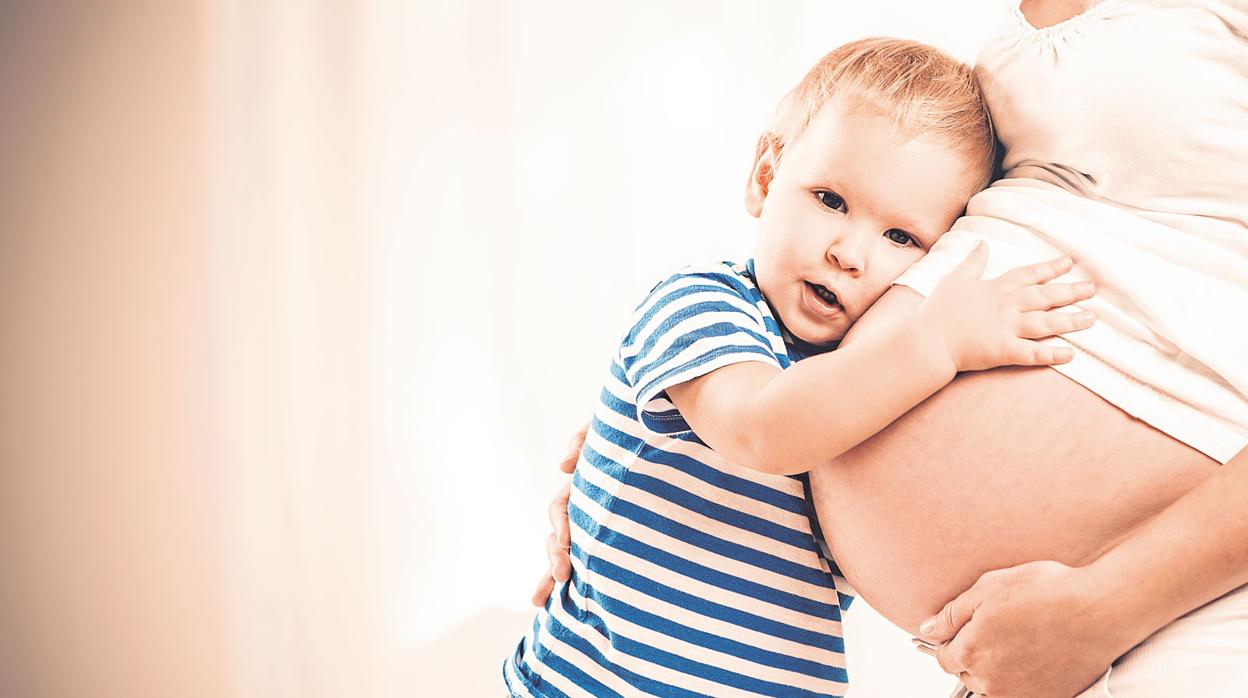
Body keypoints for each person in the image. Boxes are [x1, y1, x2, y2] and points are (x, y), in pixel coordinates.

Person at [539, 1, 1248, 696]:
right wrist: (937, 339)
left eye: (903, 239)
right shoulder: (699, 304)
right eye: (830, 200)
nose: (850, 253)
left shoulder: (840, 370)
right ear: (764, 178)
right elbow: (765, 428)